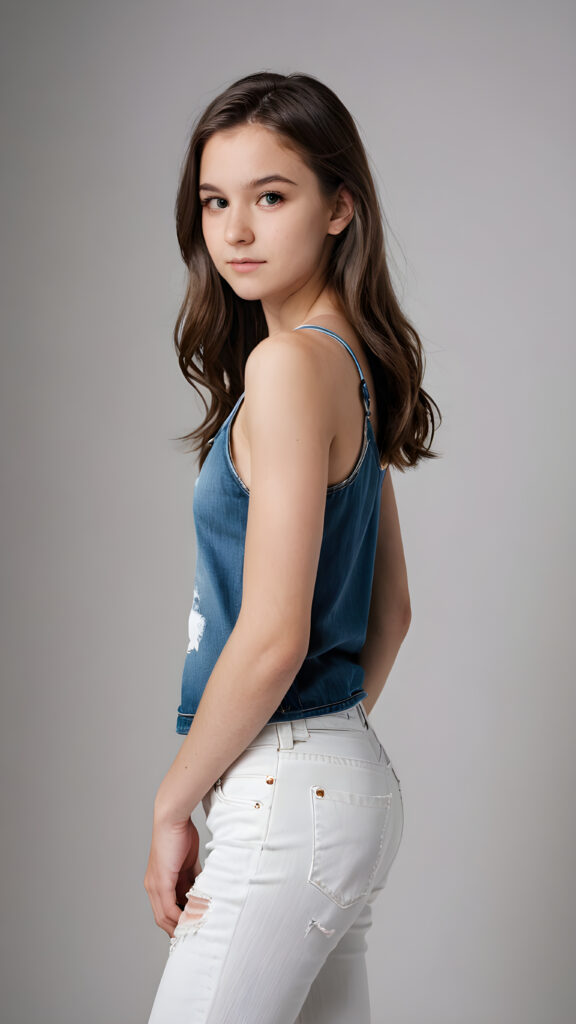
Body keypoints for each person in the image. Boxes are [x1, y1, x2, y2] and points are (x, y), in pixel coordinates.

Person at [144, 70, 441, 1024]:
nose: (235, 231)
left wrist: (171, 803)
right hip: (337, 782)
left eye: (271, 197)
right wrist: (326, 747)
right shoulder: (348, 366)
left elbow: (273, 639)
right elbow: (389, 614)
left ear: (339, 206)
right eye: (215, 202)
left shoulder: (285, 367)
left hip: (284, 792)